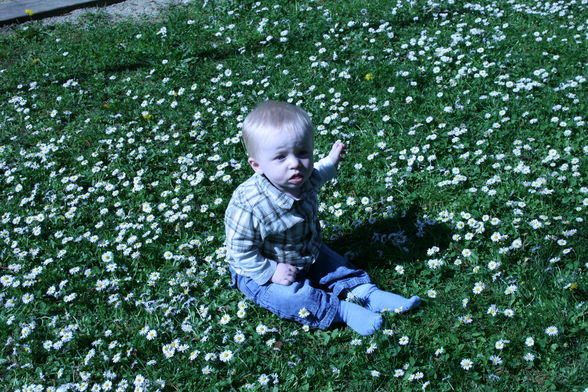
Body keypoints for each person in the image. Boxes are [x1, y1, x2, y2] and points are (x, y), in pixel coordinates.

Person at [225, 101, 421, 335]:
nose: (295, 164)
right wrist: (271, 270)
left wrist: (332, 161)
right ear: (257, 165)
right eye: (280, 157)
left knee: (335, 265)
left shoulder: (303, 179)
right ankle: (341, 311)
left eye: (302, 152)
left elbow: (319, 173)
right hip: (259, 270)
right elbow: (239, 251)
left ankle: (365, 292)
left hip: (306, 251)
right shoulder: (249, 204)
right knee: (291, 297)